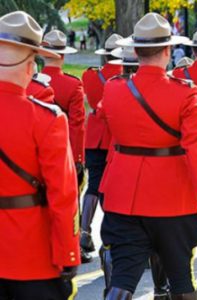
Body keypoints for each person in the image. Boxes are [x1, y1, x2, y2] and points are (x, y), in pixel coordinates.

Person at [100, 13, 197, 299]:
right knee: (180, 278)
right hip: (172, 199)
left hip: (123, 195)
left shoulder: (113, 89)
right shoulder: (185, 93)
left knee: (123, 278)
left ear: (136, 51)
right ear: (168, 51)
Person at [0, 11, 79, 299]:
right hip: (31, 256)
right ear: (31, 65)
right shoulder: (47, 119)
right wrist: (68, 253)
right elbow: (64, 195)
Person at [41, 29, 88, 262]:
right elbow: (78, 126)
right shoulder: (72, 84)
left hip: (35, 150)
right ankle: (72, 245)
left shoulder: (29, 83)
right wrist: (78, 160)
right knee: (69, 201)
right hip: (64, 151)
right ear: (62, 56)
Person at [80, 33, 123, 260]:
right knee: (115, 190)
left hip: (94, 138)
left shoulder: (90, 76)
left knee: (93, 186)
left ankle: (85, 231)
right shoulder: (124, 80)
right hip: (115, 140)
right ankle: (114, 237)